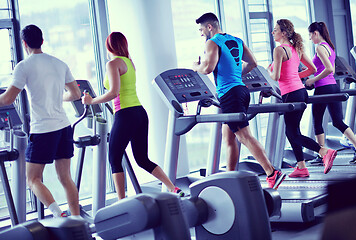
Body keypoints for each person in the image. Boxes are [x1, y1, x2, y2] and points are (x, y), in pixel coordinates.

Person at [82, 32, 184, 200]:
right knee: (142, 159)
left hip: (125, 115)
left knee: (114, 158)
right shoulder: (130, 62)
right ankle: (172, 187)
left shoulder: (113, 63)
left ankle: (122, 201)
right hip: (139, 113)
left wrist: (91, 101)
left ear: (109, 46)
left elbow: (114, 92)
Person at [192, 12, 285, 189]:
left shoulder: (212, 43)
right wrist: (235, 75)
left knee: (244, 136)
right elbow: (253, 63)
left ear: (209, 27)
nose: (202, 33)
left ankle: (272, 172)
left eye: (202, 29)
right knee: (228, 138)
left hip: (230, 94)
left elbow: (207, 68)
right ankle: (231, 177)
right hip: (241, 90)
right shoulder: (236, 40)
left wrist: (195, 66)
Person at [0, 25, 81, 217]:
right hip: (63, 126)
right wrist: (58, 98)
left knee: (33, 179)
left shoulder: (24, 66)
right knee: (65, 177)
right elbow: (76, 93)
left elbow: (8, 99)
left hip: (44, 130)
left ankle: (58, 214)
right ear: (42, 41)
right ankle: (77, 220)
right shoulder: (59, 63)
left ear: (24, 43)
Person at [267, 19, 337, 178]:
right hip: (301, 92)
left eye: (275, 30)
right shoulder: (296, 48)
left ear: (283, 33)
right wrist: (294, 76)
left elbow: (276, 76)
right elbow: (311, 69)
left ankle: (324, 152)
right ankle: (301, 167)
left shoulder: (279, 50)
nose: (273, 32)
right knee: (292, 131)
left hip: (290, 94)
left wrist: (268, 73)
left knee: (293, 133)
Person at [307, 21, 356, 164]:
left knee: (317, 122)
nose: (310, 39)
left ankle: (322, 155)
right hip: (333, 87)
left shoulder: (319, 48)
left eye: (310, 35)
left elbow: (330, 69)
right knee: (337, 122)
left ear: (316, 33)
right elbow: (332, 70)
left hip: (323, 88)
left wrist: (312, 80)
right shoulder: (330, 47)